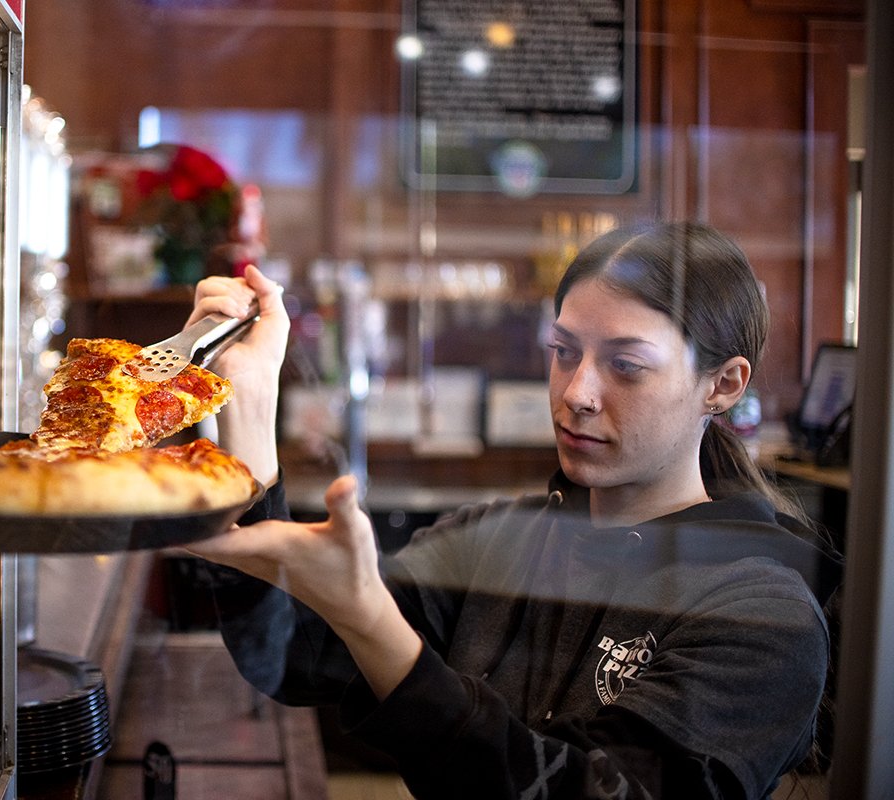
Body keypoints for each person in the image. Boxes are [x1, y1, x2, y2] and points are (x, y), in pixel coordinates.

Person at [182, 222, 842, 799]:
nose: (577, 392)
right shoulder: (497, 538)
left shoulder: (763, 614)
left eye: (626, 365)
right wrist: (247, 397)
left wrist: (369, 618)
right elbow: (296, 654)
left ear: (722, 385)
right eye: (564, 352)